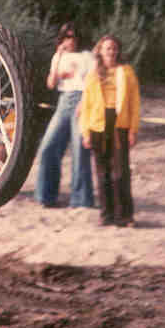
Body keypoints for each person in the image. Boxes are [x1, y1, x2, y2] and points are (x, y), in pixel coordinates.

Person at [79, 34, 141, 227]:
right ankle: (106, 215)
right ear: (100, 51)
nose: (111, 52)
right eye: (108, 48)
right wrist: (85, 132)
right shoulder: (93, 75)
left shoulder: (127, 72)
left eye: (114, 48)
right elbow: (86, 105)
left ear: (118, 51)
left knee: (120, 171)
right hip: (97, 124)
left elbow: (135, 103)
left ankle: (125, 216)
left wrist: (133, 130)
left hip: (119, 123)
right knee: (102, 171)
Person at [34, 21, 95, 209]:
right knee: (48, 146)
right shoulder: (58, 56)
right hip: (63, 101)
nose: (71, 40)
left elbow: (92, 83)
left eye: (74, 36)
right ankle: (46, 196)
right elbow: (51, 84)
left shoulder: (87, 56)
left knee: (79, 150)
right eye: (67, 36)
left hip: (82, 99)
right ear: (62, 39)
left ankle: (81, 199)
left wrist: (84, 103)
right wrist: (59, 57)